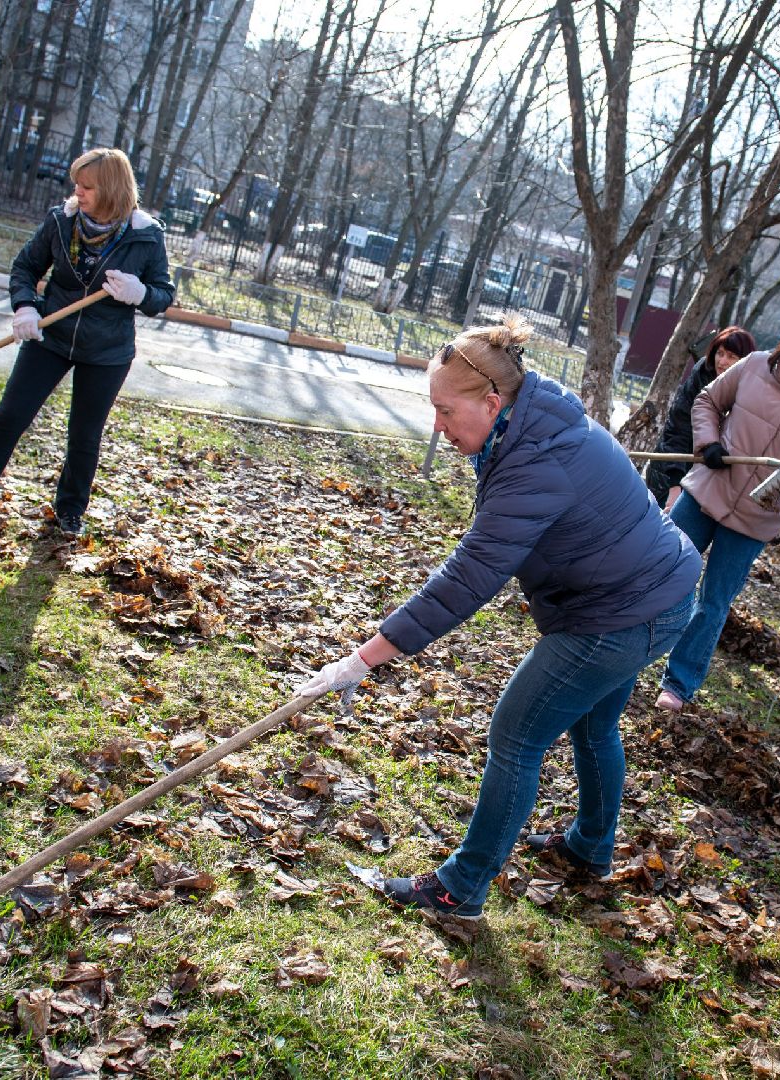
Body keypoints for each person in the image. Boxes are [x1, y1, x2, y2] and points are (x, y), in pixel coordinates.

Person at [296, 316, 701, 919]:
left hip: (621, 614)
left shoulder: (535, 461)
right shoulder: (534, 418)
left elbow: (467, 579)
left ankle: (461, 888)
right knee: (593, 726)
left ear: (490, 402)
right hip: (657, 591)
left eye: (445, 411)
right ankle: (591, 846)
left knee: (516, 735)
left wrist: (361, 660)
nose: (436, 424)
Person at [0, 147, 174, 537]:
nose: (77, 193)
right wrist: (26, 308)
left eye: (88, 187)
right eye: (76, 185)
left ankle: (70, 512)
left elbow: (163, 295)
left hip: (107, 352)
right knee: (9, 418)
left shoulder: (145, 237)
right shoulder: (61, 222)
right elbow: (26, 267)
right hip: (51, 335)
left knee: (84, 433)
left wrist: (139, 293)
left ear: (112, 189)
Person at [654, 316, 780, 712]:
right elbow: (708, 400)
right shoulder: (756, 364)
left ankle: (678, 684)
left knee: (713, 601)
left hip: (759, 514)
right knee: (661, 566)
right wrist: (708, 442)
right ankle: (622, 643)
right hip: (709, 489)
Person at [643, 326, 758, 509]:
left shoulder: (751, 390)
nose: (722, 361)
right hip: (671, 470)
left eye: (731, 356)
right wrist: (674, 488)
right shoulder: (701, 376)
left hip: (709, 479)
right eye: (720, 353)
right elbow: (678, 431)